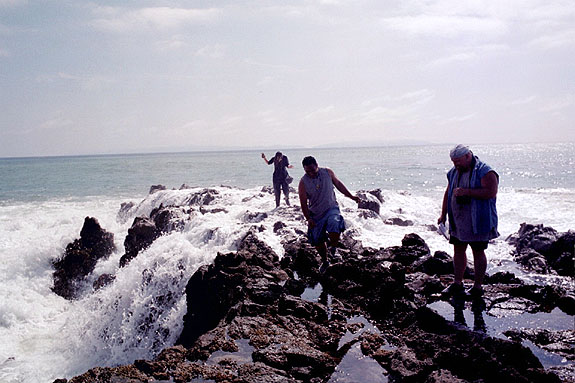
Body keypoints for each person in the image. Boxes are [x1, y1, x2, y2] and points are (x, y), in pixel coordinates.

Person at [438, 144, 499, 299]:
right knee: (458, 250)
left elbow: (491, 192)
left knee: (478, 252)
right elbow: (448, 192)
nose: (456, 164)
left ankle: (478, 287)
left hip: (478, 220)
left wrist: (467, 192)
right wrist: (443, 214)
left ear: (468, 156)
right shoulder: (453, 172)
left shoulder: (485, 171)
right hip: (458, 220)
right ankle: (457, 283)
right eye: (453, 161)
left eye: (458, 161)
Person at [298, 156, 360, 273]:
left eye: (312, 169)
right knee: (317, 240)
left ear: (317, 165)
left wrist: (351, 196)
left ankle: (333, 249)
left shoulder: (327, 172)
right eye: (307, 171)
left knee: (334, 223)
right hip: (316, 214)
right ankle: (325, 260)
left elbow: (339, 185)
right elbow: (303, 202)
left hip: (331, 208)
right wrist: (308, 218)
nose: (311, 173)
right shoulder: (303, 182)